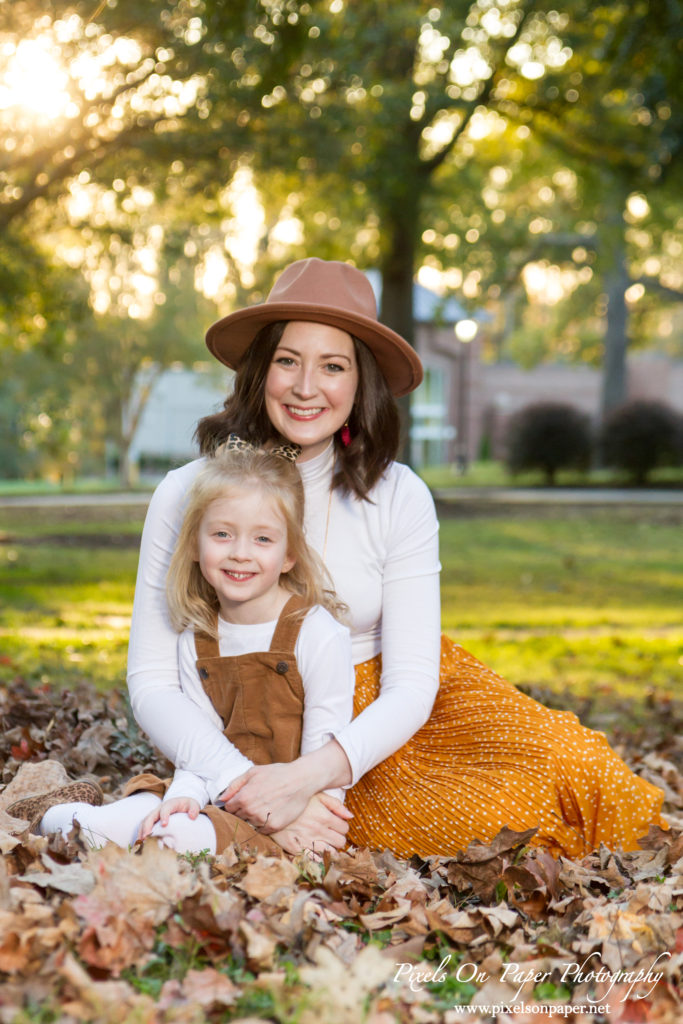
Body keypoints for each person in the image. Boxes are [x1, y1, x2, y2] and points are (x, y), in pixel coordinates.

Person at [125, 257, 667, 860]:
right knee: (489, 829)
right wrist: (247, 785)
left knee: (581, 769)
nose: (307, 388)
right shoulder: (187, 491)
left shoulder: (397, 493)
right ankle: (204, 818)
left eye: (333, 367)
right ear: (259, 372)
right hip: (260, 720)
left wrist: (308, 779)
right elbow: (151, 681)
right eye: (287, 361)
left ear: (361, 386)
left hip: (385, 718)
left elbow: (412, 683)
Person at [13, 443, 354, 855]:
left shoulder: (316, 634)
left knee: (171, 835)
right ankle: (59, 817)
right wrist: (186, 795)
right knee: (159, 814)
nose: (240, 552)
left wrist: (308, 821)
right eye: (222, 534)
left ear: (289, 555)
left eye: (263, 538)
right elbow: (198, 745)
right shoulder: (198, 639)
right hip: (217, 792)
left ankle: (102, 826)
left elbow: (323, 759)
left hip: (290, 808)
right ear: (195, 544)